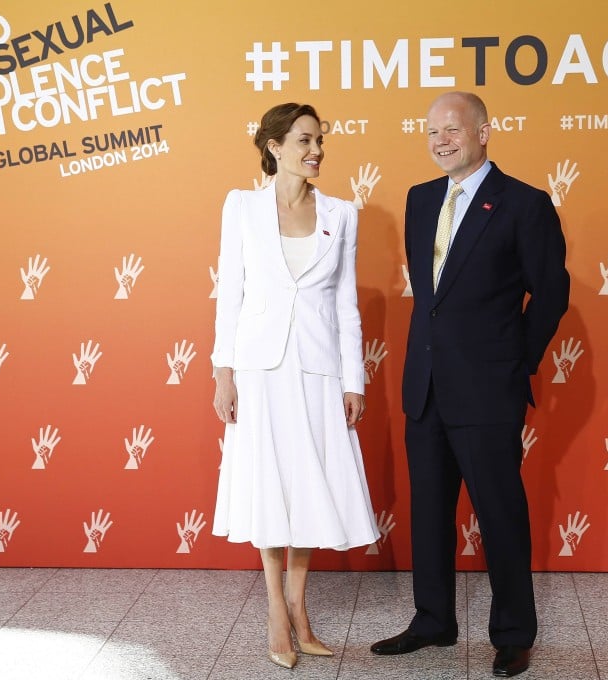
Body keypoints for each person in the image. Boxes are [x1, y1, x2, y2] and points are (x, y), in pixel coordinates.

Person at [370, 92, 570, 678]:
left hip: (489, 390)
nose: (440, 140)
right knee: (429, 512)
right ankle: (432, 620)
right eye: (431, 131)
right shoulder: (420, 198)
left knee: (500, 514)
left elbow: (551, 295)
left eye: (452, 130)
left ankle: (512, 632)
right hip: (426, 385)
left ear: (485, 132)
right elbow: (432, 302)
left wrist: (515, 362)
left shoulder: (525, 204)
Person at [211, 102, 380, 670]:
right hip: (259, 369)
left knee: (309, 484)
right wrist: (223, 371)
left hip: (316, 367)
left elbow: (345, 304)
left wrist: (352, 379)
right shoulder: (242, 208)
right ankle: (276, 614)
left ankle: (299, 607)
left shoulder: (341, 212)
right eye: (304, 140)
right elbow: (228, 292)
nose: (316, 151)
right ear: (274, 145)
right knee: (269, 484)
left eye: (319, 140)